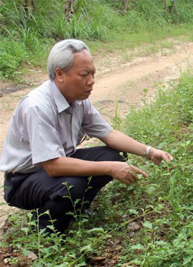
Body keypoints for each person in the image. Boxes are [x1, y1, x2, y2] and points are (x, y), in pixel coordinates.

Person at [0, 39, 173, 234]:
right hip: (24, 180)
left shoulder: (78, 100)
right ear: (60, 74)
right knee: (73, 184)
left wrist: (149, 152)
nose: (91, 81)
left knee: (115, 156)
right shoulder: (38, 106)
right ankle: (46, 230)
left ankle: (76, 208)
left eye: (93, 73)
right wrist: (110, 169)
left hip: (57, 164)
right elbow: (53, 166)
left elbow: (108, 134)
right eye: (84, 75)